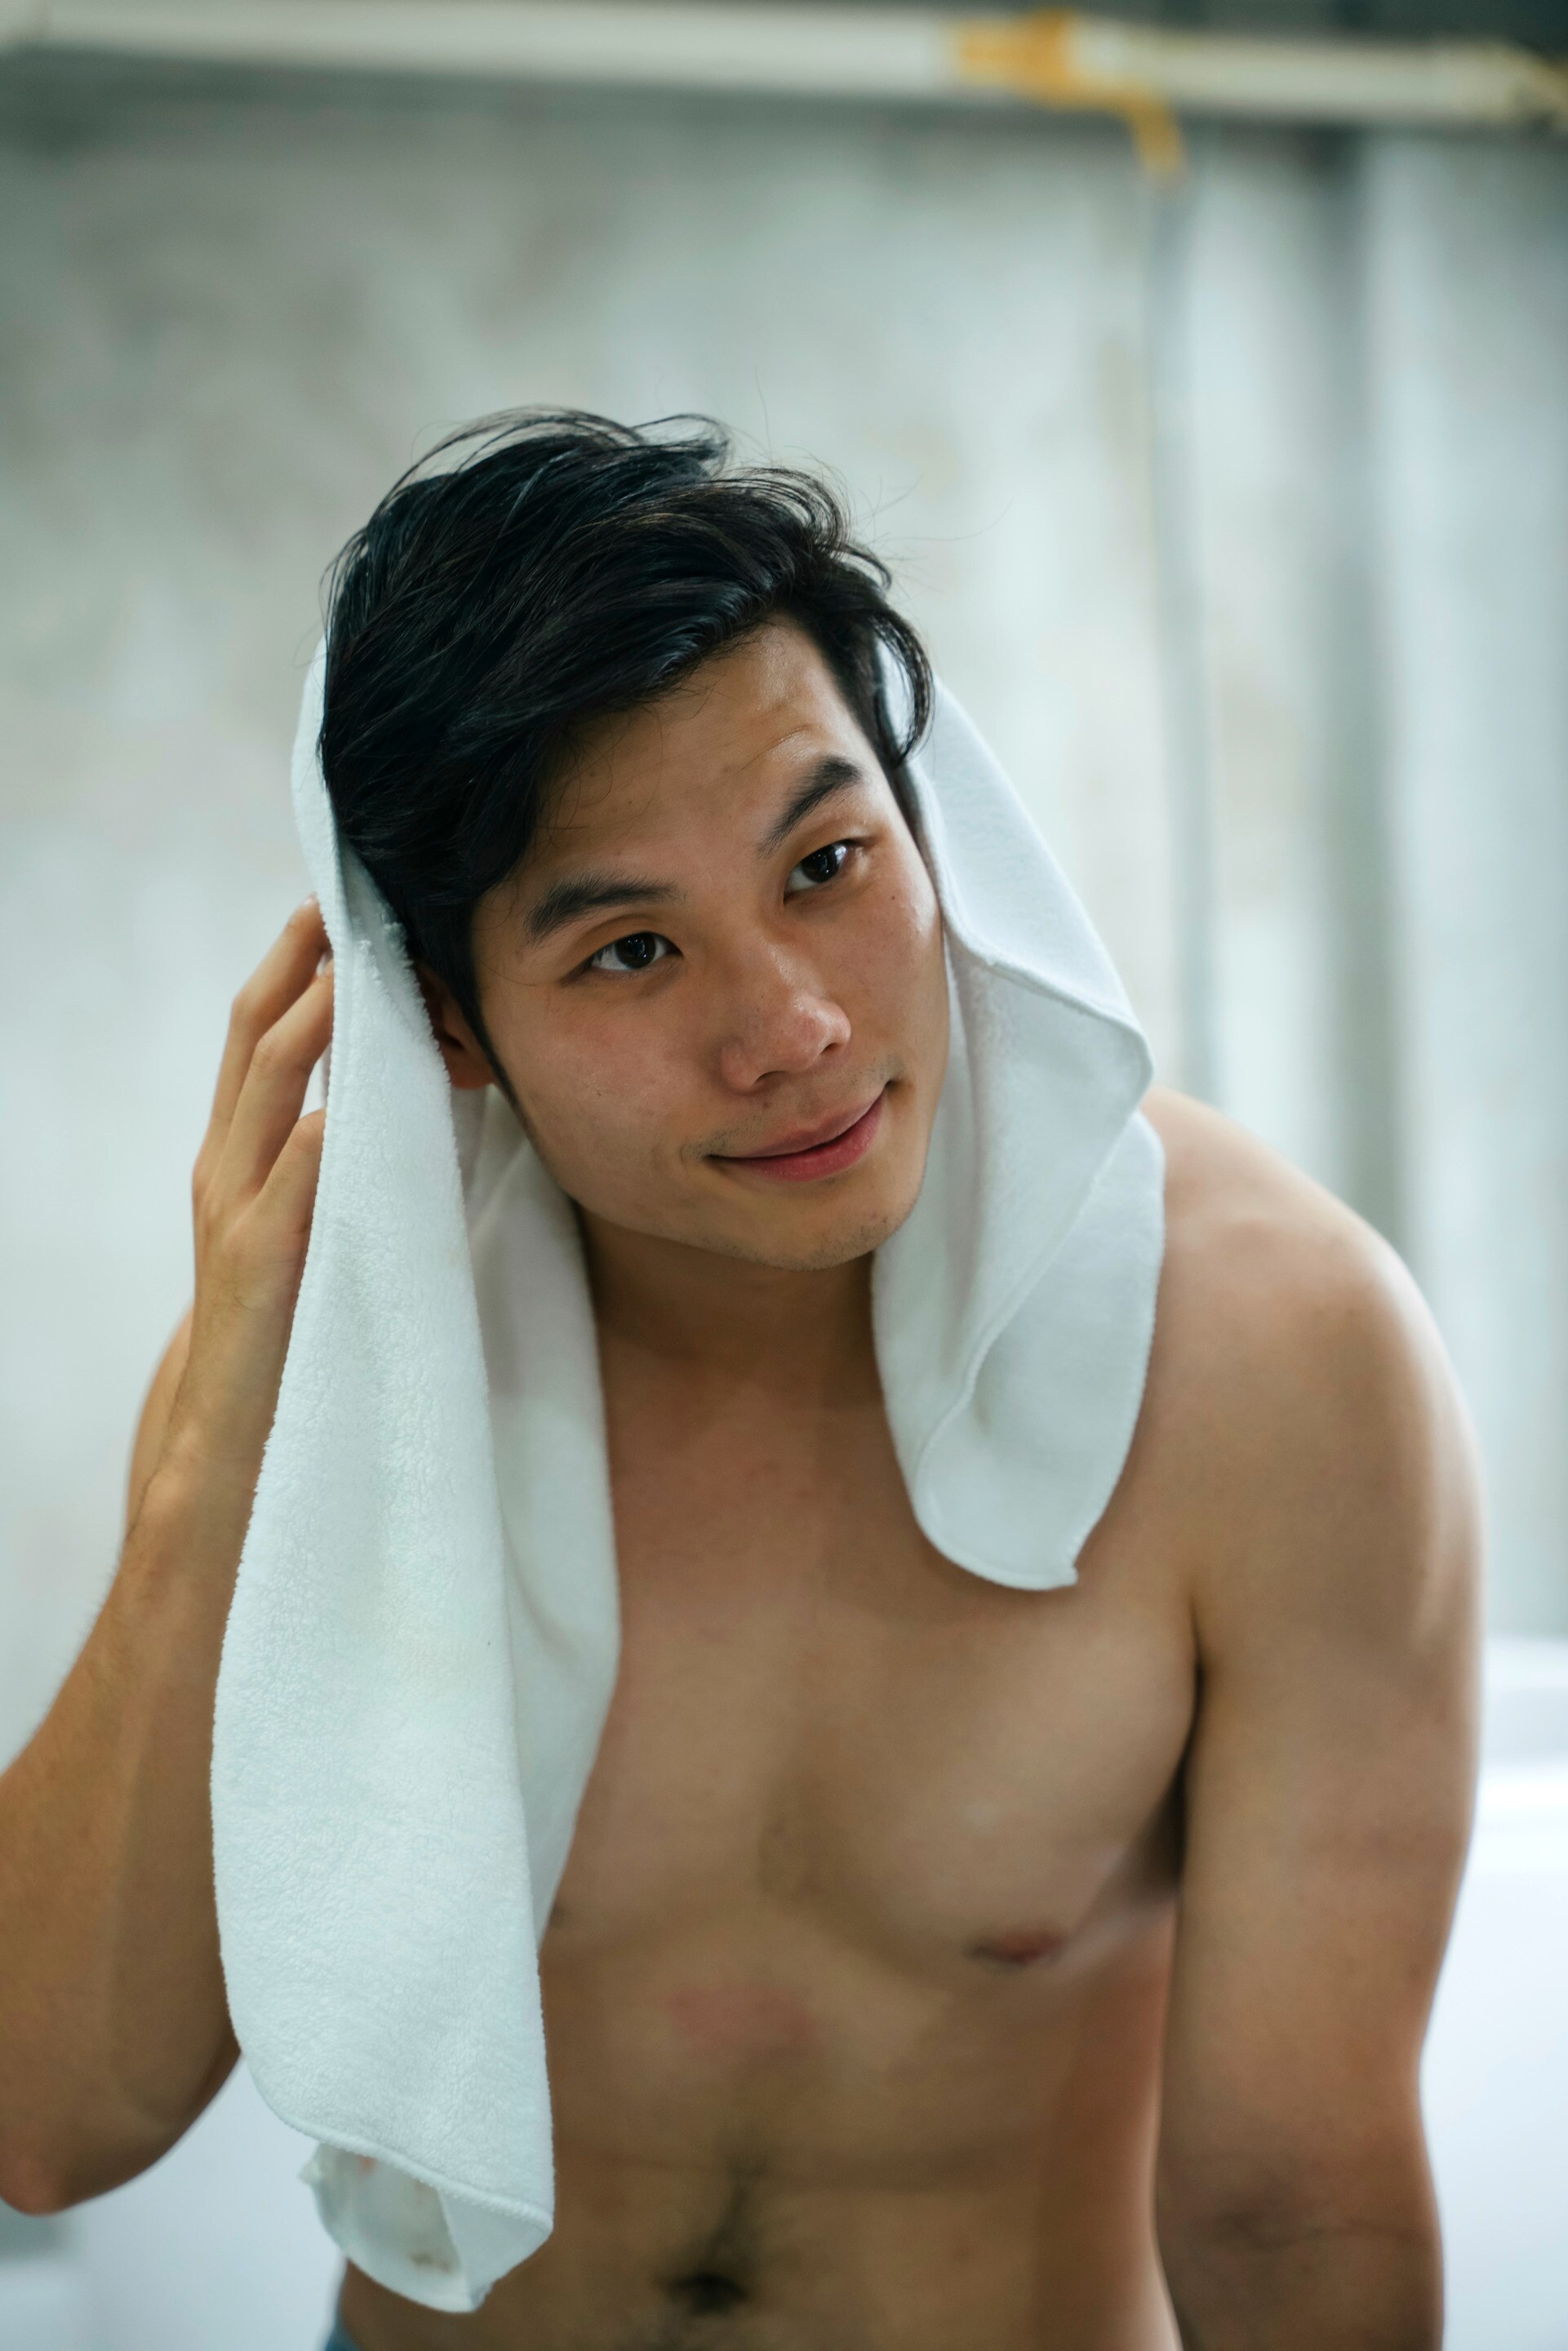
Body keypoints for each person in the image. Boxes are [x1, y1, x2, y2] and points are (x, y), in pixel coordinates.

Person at [0, 413, 1481, 2350]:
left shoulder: (1271, 1356)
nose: (791, 1031)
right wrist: (217, 1450)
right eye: (627, 951)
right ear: (444, 1024)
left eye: (828, 861)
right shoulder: (347, 1360)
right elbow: (49, 2123)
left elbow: (1297, 2218)